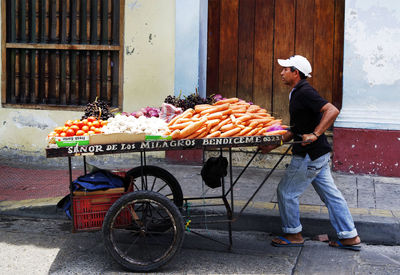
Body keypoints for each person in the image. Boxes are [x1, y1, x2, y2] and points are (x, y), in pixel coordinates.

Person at [259, 55, 361, 251]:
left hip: (309, 155)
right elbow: (296, 129)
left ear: (295, 73)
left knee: (286, 192)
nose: (281, 73)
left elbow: (332, 110)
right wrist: (273, 145)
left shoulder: (305, 92)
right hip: (318, 154)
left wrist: (315, 134)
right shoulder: (296, 92)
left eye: (285, 69)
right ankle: (349, 235)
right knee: (331, 195)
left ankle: (293, 233)